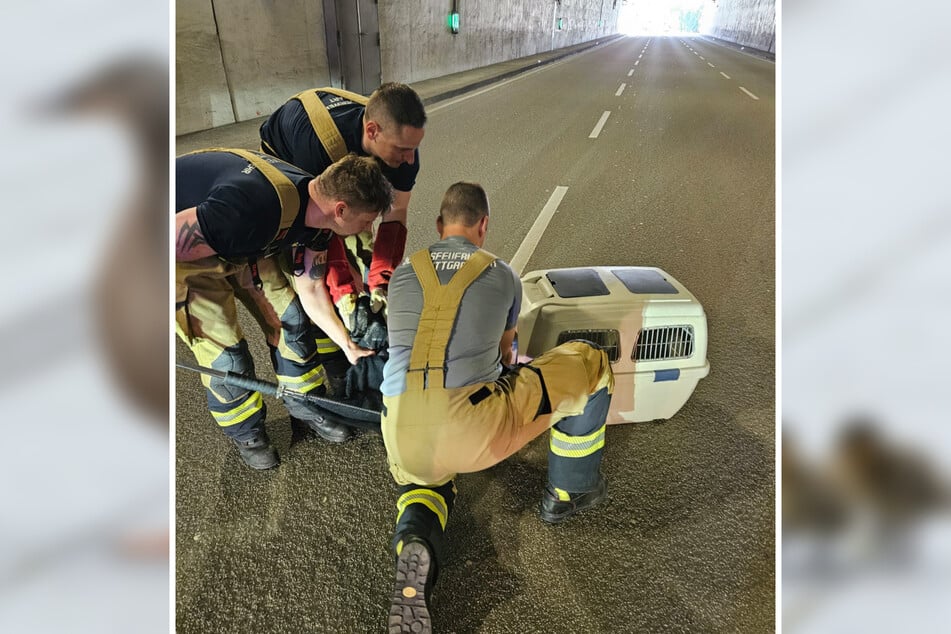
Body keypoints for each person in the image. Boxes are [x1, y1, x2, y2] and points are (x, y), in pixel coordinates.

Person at [379, 182, 615, 631]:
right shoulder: (503, 274)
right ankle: (571, 492)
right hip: (472, 425)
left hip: (399, 425)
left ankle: (416, 544)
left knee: (425, 484)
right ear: (483, 226)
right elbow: (506, 358)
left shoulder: (405, 273)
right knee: (590, 361)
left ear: (438, 225)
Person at [175, 150, 393, 469]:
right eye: (367, 220)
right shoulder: (245, 208)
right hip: (185, 258)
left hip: (245, 241)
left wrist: (347, 345)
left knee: (291, 319)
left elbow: (311, 287)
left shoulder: (315, 214)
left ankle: (304, 404)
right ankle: (247, 432)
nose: (369, 227)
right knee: (227, 352)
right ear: (341, 209)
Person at [259, 83, 426, 396]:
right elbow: (322, 235)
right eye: (402, 150)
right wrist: (346, 298)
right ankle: (326, 379)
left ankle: (349, 350)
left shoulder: (402, 148)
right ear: (372, 131)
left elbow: (395, 214)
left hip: (345, 188)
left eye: (414, 148)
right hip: (296, 185)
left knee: (363, 260)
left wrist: (381, 282)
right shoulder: (317, 147)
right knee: (308, 295)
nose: (409, 159)